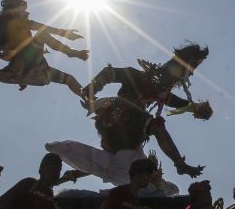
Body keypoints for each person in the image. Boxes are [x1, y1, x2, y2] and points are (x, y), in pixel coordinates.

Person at [46, 43, 213, 186]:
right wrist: (93, 87)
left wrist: (195, 108)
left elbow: (179, 102)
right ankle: (179, 164)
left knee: (124, 163)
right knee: (155, 127)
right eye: (191, 68)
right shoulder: (138, 77)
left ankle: (69, 176)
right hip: (117, 116)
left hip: (129, 132)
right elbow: (109, 73)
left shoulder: (162, 92)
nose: (191, 74)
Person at [0, 0, 88, 94]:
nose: (26, 11)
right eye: (23, 7)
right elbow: (41, 27)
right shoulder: (17, 22)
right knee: (43, 35)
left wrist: (21, 78)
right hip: (29, 61)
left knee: (69, 79)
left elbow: (4, 49)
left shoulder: (6, 25)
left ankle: (88, 98)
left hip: (34, 65)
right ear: (19, 6)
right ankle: (72, 53)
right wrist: (64, 33)